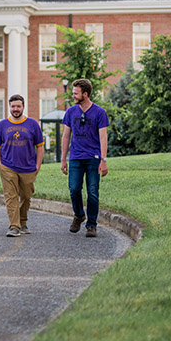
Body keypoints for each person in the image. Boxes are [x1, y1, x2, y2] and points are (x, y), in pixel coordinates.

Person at [60, 78, 109, 238]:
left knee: (93, 192)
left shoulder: (99, 112)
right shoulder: (71, 112)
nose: (73, 96)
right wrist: (63, 159)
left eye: (76, 93)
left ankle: (92, 225)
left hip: (93, 158)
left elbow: (103, 137)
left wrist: (103, 160)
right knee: (74, 189)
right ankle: (79, 214)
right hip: (75, 157)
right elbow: (66, 136)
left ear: (85, 94)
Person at [0, 94, 45, 238]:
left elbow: (40, 146)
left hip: (28, 167)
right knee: (11, 196)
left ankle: (23, 221)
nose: (15, 109)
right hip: (8, 166)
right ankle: (14, 226)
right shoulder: (2, 125)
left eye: (18, 106)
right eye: (13, 106)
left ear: (23, 107)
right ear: (9, 107)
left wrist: (38, 165)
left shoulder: (33, 124)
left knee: (26, 196)